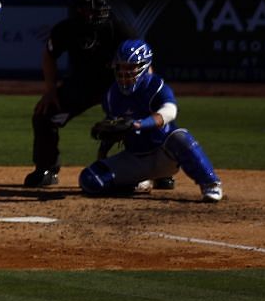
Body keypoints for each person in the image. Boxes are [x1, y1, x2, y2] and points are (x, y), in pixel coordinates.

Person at [77, 42, 224, 202]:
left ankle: (211, 184)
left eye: (130, 67)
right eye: (121, 67)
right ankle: (135, 182)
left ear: (144, 66)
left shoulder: (155, 86)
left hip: (164, 155)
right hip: (134, 158)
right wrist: (103, 152)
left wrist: (138, 124)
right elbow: (114, 128)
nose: (124, 72)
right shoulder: (112, 95)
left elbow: (169, 112)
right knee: (90, 180)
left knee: (180, 137)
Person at [25, 0, 134, 188]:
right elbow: (49, 55)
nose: (89, 14)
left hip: (118, 86)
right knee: (45, 114)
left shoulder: (119, 29)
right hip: (82, 83)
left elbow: (143, 61)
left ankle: (157, 169)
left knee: (144, 117)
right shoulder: (66, 28)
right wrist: (50, 90)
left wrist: (142, 95)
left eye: (94, 10)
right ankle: (46, 168)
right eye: (84, 10)